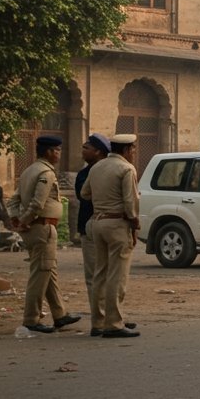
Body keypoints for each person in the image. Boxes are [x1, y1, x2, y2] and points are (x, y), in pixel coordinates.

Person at [7, 136, 80, 334]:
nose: (59, 153)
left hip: (34, 229)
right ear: (48, 152)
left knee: (48, 271)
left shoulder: (28, 171)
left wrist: (16, 219)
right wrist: (24, 221)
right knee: (40, 274)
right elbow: (38, 204)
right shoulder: (46, 173)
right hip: (42, 228)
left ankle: (60, 314)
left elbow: (13, 201)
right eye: (57, 150)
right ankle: (31, 319)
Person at [81, 134, 140, 338]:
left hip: (98, 222)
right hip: (117, 223)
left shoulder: (97, 167)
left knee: (100, 273)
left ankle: (98, 321)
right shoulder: (126, 169)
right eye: (132, 149)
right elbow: (130, 202)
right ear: (125, 150)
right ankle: (113, 323)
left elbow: (84, 193)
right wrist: (134, 224)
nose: (133, 153)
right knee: (117, 275)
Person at [75, 134, 118, 319]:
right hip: (90, 226)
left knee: (113, 274)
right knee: (94, 275)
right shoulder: (84, 174)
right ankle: (100, 318)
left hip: (108, 226)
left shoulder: (112, 171)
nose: (83, 151)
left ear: (98, 152)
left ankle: (114, 316)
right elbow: (83, 196)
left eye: (87, 148)